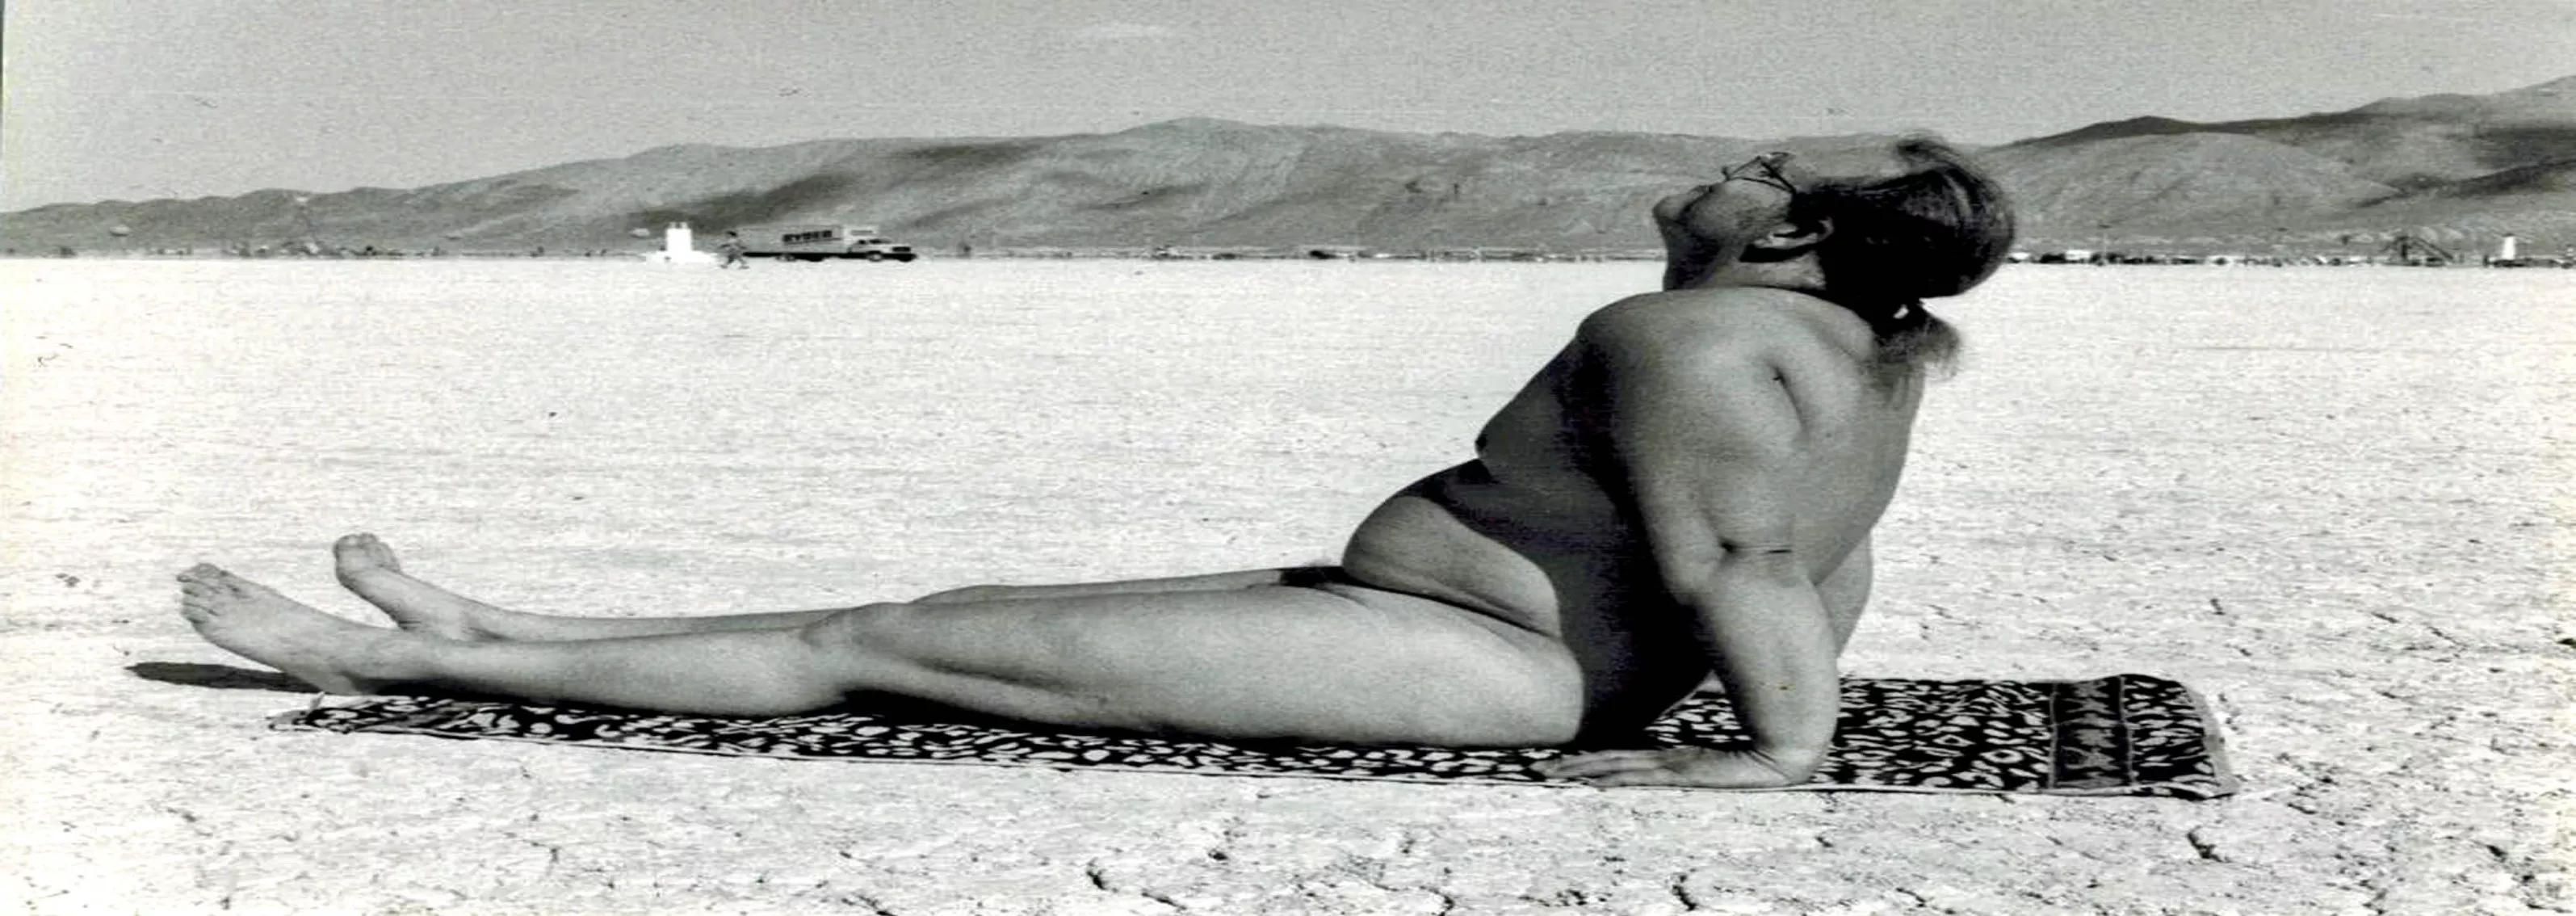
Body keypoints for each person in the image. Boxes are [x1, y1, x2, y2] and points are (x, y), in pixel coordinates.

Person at [180, 138, 2014, 788]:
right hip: (1479, 630)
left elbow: (1752, 565)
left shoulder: (1681, 333)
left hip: (1502, 669)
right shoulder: (1875, 345)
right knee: (921, 613)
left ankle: (399, 659)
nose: (1727, 165)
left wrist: (1779, 759)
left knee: (886, 644)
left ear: (1785, 236)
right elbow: (1814, 556)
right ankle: (498, 621)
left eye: (1766, 166)